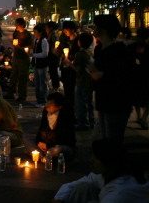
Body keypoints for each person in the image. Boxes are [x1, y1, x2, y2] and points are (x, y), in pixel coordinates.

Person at [51, 139, 149, 203]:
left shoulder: (120, 192)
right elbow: (73, 184)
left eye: (97, 158)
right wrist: (59, 198)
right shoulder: (107, 173)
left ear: (110, 163)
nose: (91, 160)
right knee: (83, 187)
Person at [88, 15, 134, 143]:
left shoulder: (119, 51)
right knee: (104, 138)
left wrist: (101, 74)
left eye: (96, 26)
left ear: (104, 30)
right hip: (102, 99)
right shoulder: (99, 49)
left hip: (117, 101)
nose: (93, 29)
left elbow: (123, 76)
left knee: (113, 140)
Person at [23, 92, 76, 160]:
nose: (47, 105)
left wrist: (47, 146)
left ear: (59, 107)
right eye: (47, 102)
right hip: (46, 142)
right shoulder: (46, 112)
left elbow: (64, 139)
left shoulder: (65, 116)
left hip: (61, 145)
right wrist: (39, 142)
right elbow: (41, 128)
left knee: (56, 150)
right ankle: (44, 156)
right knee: (26, 137)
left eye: (51, 104)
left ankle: (39, 154)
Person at [5, 18, 32, 102]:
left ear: (22, 25)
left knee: (22, 77)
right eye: (15, 25)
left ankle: (22, 95)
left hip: (24, 58)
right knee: (13, 76)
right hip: (16, 57)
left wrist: (22, 48)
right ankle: (11, 93)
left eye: (17, 25)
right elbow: (14, 43)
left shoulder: (28, 34)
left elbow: (31, 45)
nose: (16, 26)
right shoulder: (16, 33)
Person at [72, 32, 95, 131]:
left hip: (81, 82)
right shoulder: (90, 52)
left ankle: (83, 124)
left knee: (81, 104)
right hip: (89, 81)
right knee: (89, 103)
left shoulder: (79, 54)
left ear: (79, 42)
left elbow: (78, 69)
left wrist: (69, 63)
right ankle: (91, 122)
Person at [31, 24, 50, 107]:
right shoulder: (36, 40)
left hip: (42, 65)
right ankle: (38, 99)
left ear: (40, 32)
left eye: (35, 31)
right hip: (36, 64)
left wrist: (33, 55)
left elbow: (45, 53)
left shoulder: (44, 40)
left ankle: (43, 101)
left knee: (42, 84)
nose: (34, 33)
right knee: (37, 83)